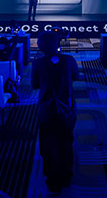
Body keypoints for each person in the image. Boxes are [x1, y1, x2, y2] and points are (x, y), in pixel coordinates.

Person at [31, 31, 79, 194]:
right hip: (67, 108)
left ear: (40, 45)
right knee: (66, 141)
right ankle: (65, 175)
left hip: (46, 109)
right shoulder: (69, 60)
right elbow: (76, 77)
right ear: (58, 43)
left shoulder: (37, 63)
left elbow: (35, 85)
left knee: (47, 143)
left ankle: (52, 179)